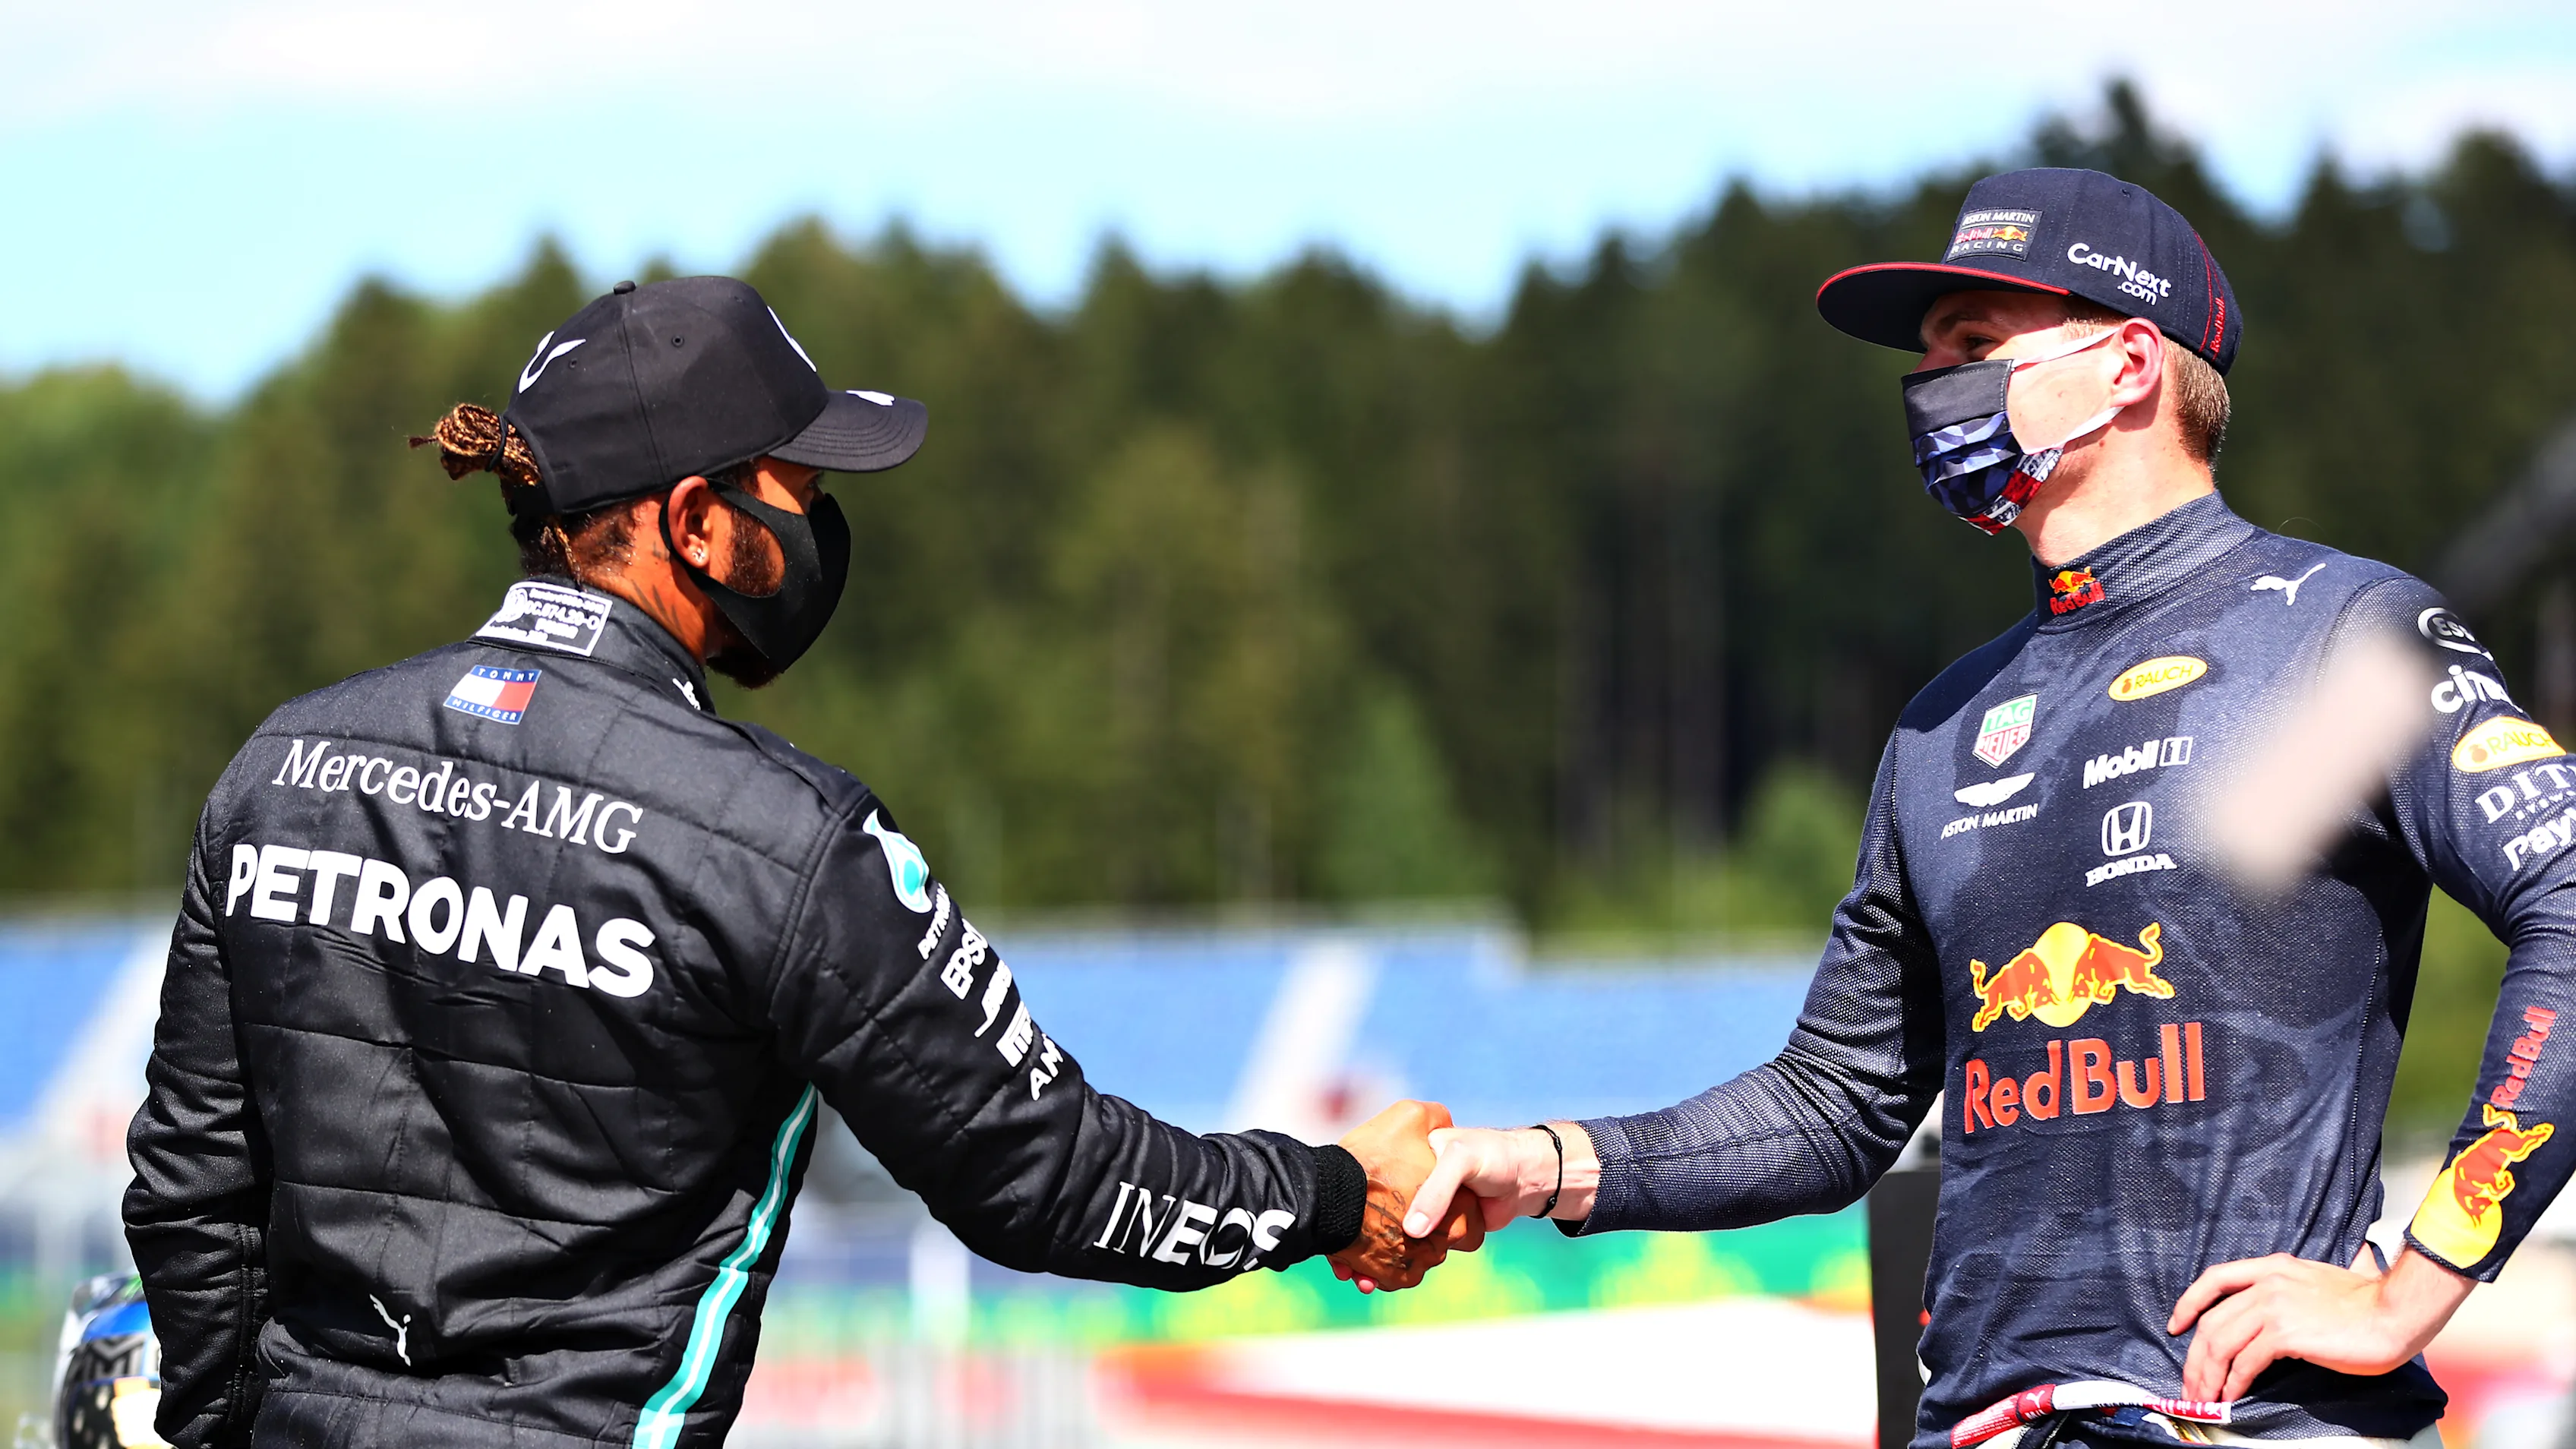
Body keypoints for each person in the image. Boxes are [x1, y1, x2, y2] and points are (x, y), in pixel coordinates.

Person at [122, 276, 1476, 1449]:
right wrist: (1335, 1194)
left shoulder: (281, 769)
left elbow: (191, 1189)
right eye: (805, 495)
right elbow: (1047, 1177)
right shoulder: (783, 839)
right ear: (697, 524)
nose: (821, 539)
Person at [1395, 169, 2576, 1447]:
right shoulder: (1942, 726)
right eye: (1929, 358)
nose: (1933, 389)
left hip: (2243, 1422)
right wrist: (1548, 1165)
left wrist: (2414, 1287)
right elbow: (1836, 1102)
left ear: (2130, 362)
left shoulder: (2338, 637)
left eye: (1976, 346)